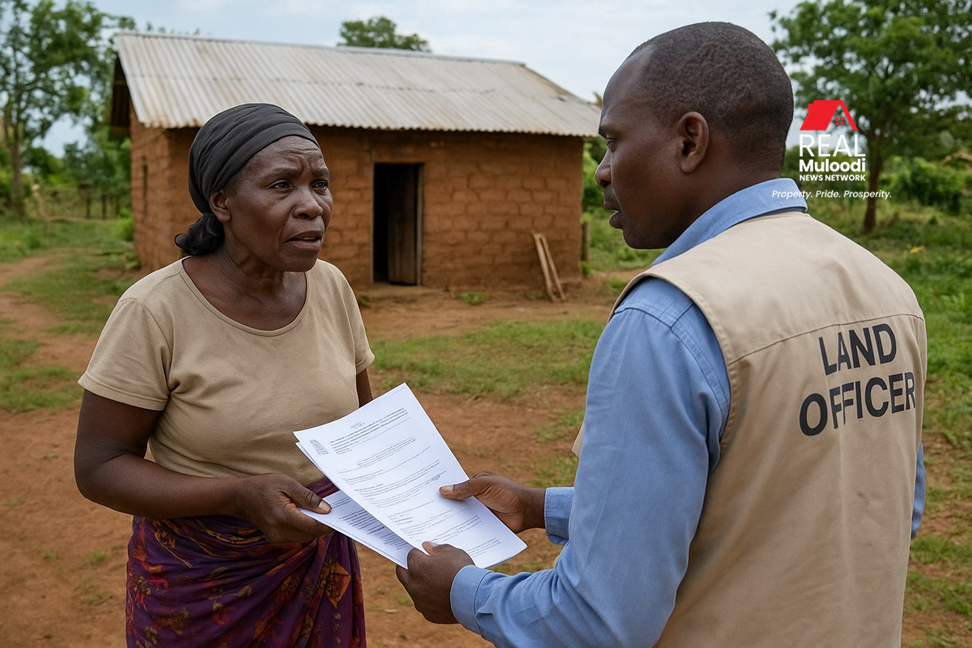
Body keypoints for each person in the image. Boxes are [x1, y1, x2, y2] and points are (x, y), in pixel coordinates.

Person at [396, 22, 927, 647]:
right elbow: (882, 506)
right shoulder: (887, 291)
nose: (601, 171)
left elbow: (597, 622)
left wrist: (463, 589)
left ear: (690, 141)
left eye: (614, 141)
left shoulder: (670, 318)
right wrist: (544, 507)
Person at [74, 103, 372, 647]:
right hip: (204, 584)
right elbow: (98, 467)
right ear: (222, 202)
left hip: (317, 563)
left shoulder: (330, 287)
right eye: (282, 185)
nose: (312, 207)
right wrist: (238, 496)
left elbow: (362, 432)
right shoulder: (155, 310)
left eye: (320, 184)